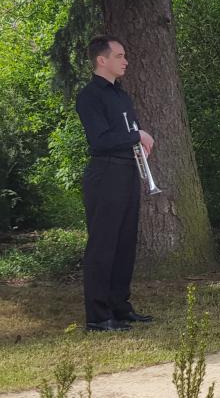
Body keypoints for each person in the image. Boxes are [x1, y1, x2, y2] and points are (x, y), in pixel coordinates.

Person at [75, 35, 154, 332]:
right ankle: (97, 315)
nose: (126, 60)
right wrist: (138, 136)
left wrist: (137, 142)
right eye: (119, 55)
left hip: (127, 173)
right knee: (103, 245)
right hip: (105, 175)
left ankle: (120, 307)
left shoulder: (122, 96)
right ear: (102, 60)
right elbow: (101, 140)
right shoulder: (89, 96)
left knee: (124, 244)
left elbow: (125, 134)